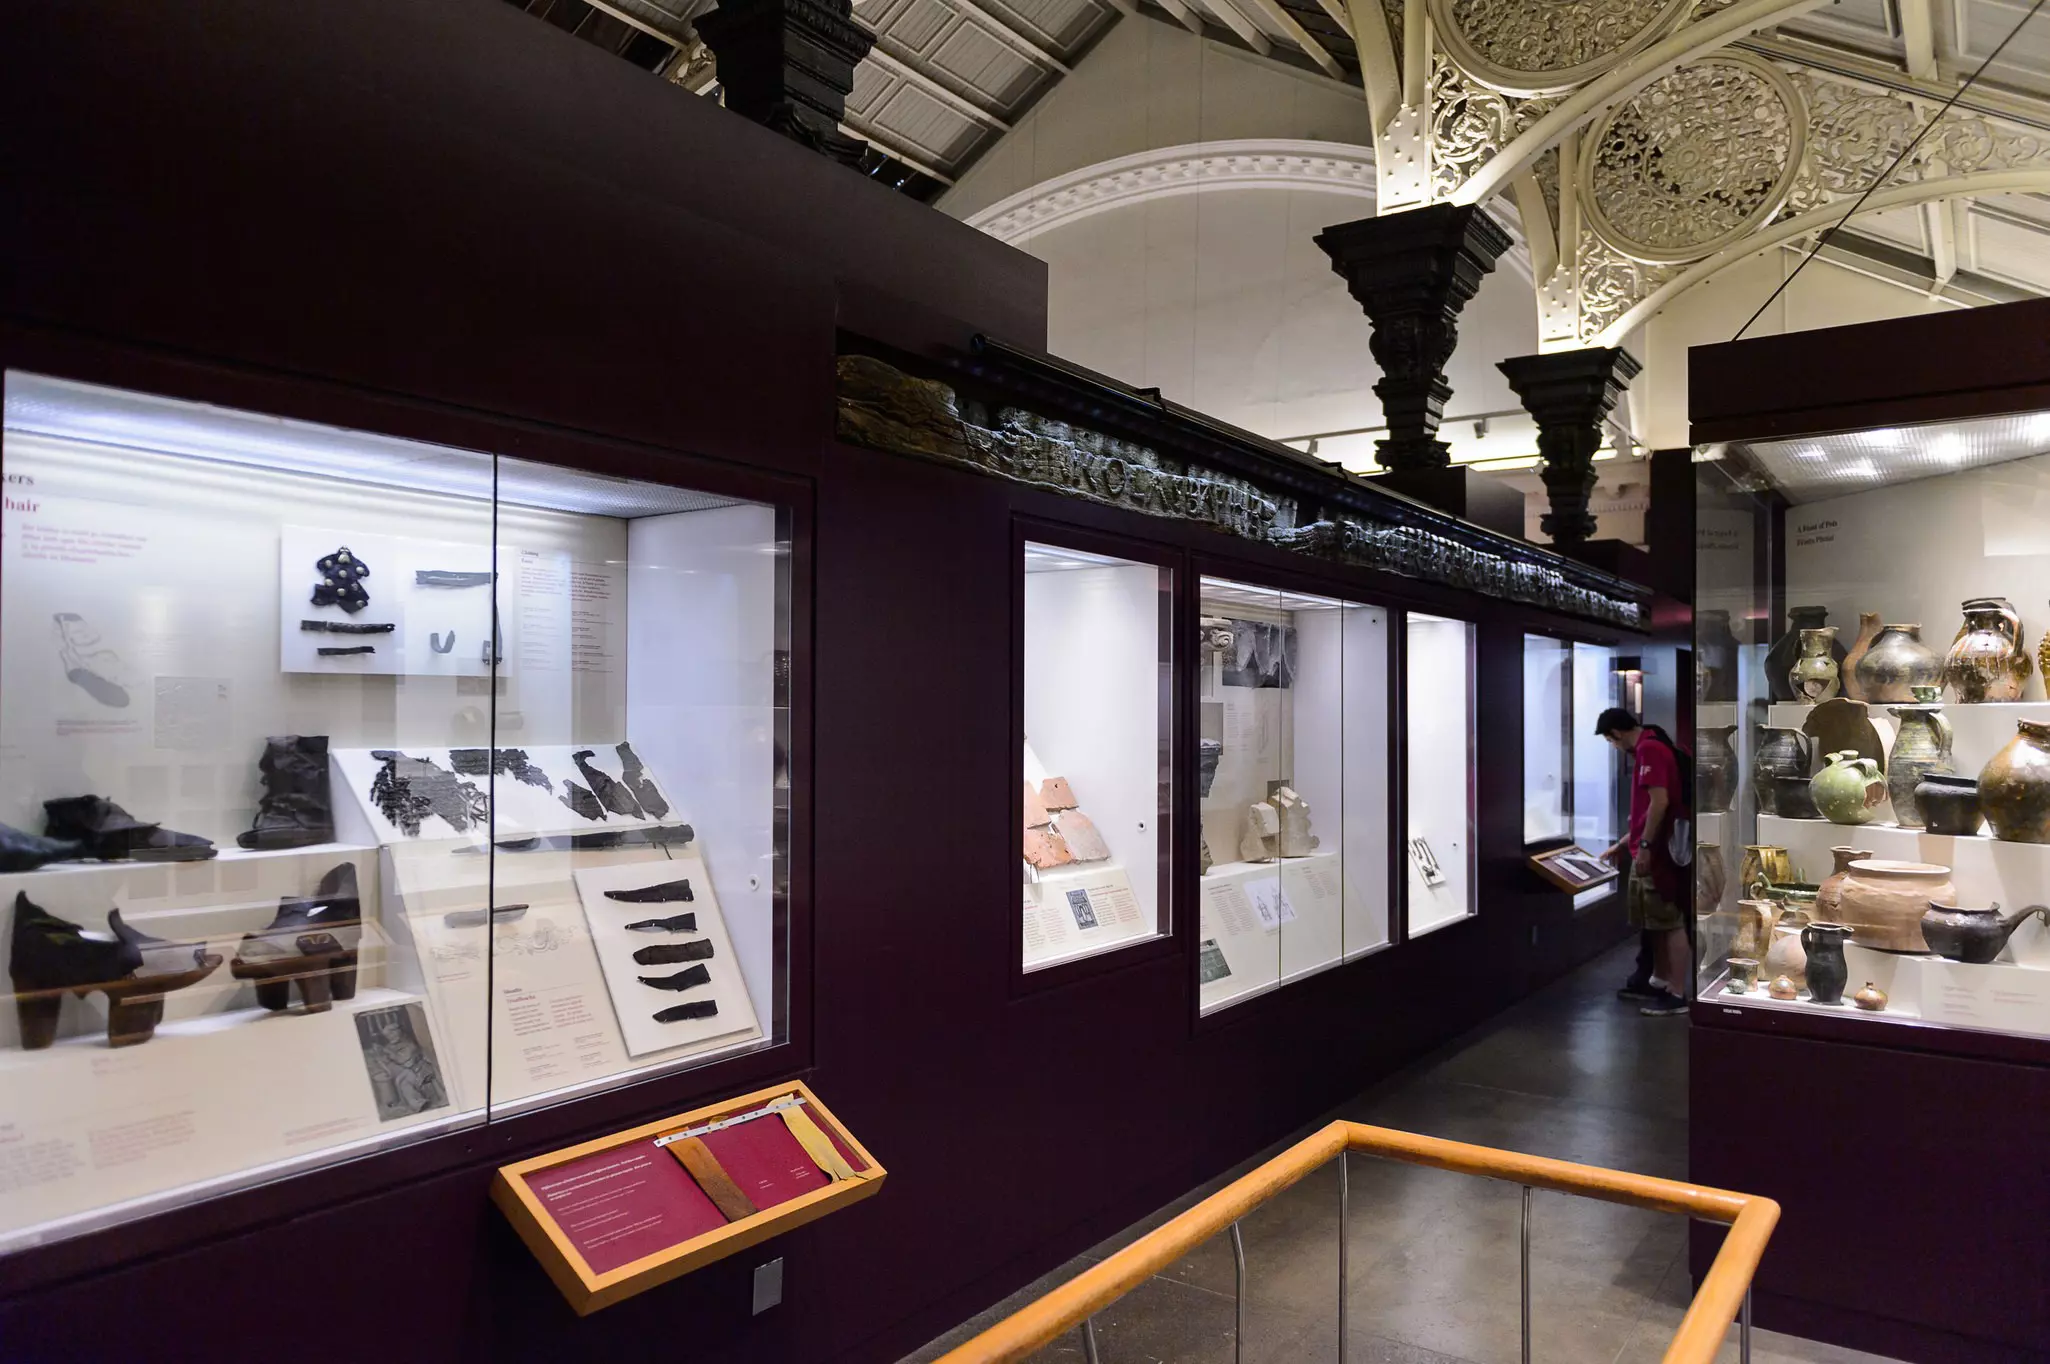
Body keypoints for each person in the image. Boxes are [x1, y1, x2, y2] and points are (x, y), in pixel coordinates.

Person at [1596, 708, 1691, 1016]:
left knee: (1669, 921)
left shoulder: (1649, 749)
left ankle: (1676, 992)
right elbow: (1645, 811)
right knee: (1657, 923)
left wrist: (1646, 846)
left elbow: (1659, 802)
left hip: (1657, 851)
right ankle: (1661, 982)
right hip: (1648, 847)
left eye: (1611, 741)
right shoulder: (1652, 744)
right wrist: (1626, 843)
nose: (1614, 747)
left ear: (1617, 734)